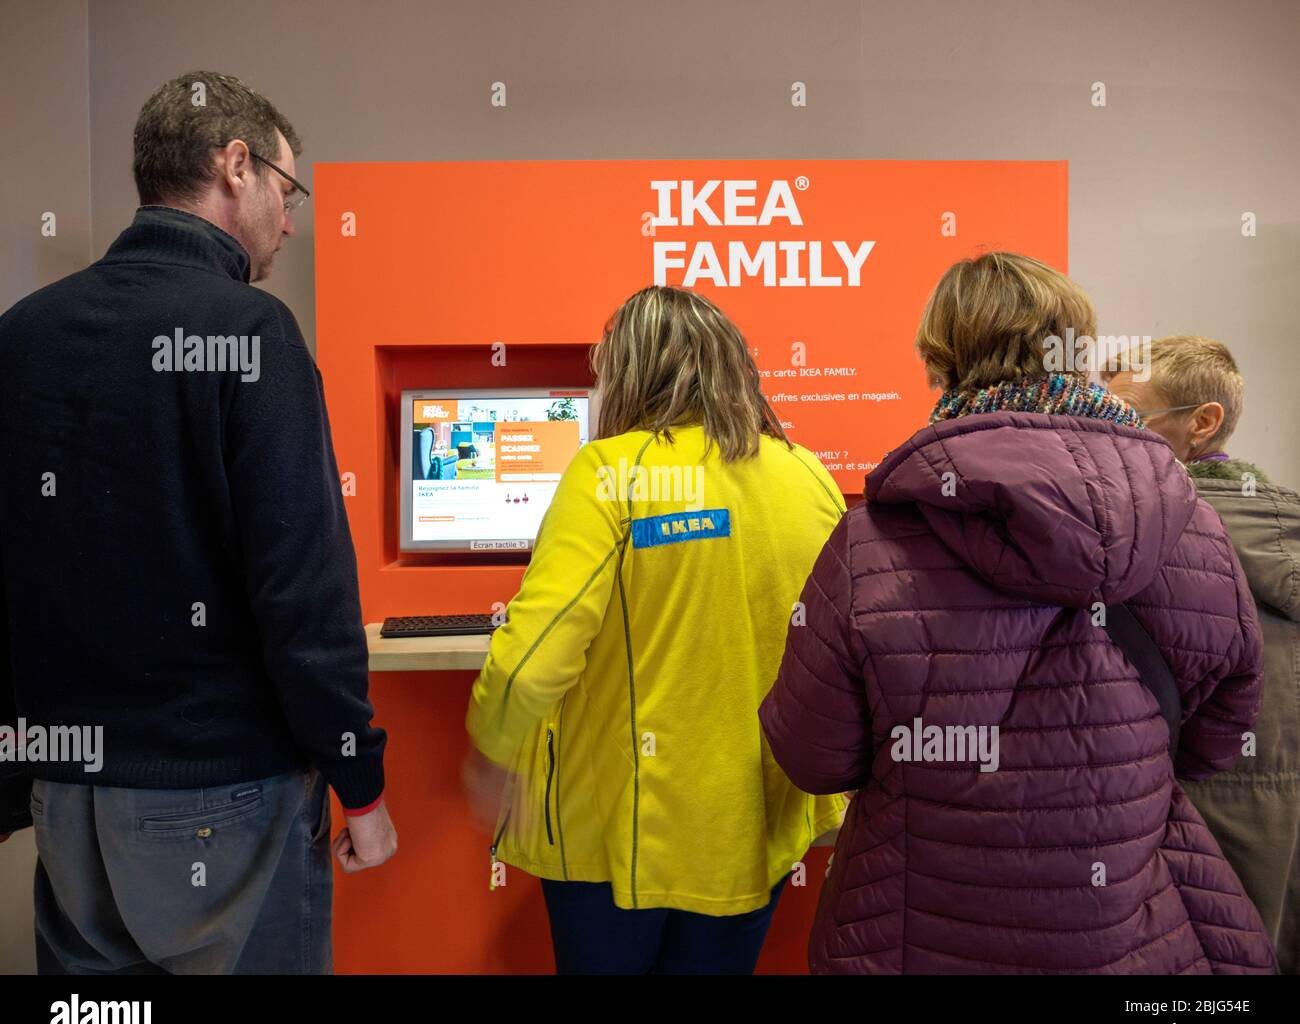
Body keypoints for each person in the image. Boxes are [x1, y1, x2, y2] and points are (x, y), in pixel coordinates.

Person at [759, 252, 1276, 974]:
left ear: (939, 364)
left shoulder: (871, 542)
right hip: (1126, 924)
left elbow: (813, 757)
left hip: (915, 926)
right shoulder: (1193, 528)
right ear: (1076, 353)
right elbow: (1219, 738)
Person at [0, 71, 395, 975]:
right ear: (235, 164)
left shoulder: (20, 335)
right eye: (288, 193)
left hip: (69, 796)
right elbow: (302, 593)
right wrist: (360, 785)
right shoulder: (253, 333)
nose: (290, 223)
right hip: (224, 798)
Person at [462, 285, 847, 974]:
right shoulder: (809, 476)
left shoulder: (608, 473)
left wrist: (492, 744)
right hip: (753, 825)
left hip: (616, 839)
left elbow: (533, 660)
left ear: (631, 371)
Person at [1106, 336, 1299, 973]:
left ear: (1203, 422)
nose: (1107, 436)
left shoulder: (1147, 548)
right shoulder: (1282, 535)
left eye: (1126, 416)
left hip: (1193, 827)